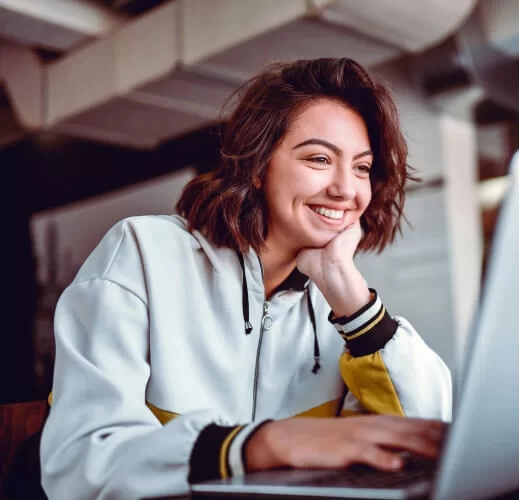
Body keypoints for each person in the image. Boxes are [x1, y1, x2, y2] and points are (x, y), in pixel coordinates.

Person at [39, 58, 452, 500]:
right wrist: (261, 444)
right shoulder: (142, 252)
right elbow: (80, 462)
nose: (346, 190)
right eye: (319, 158)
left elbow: (425, 437)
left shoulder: (338, 301)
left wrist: (349, 293)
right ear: (258, 165)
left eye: (362, 168)